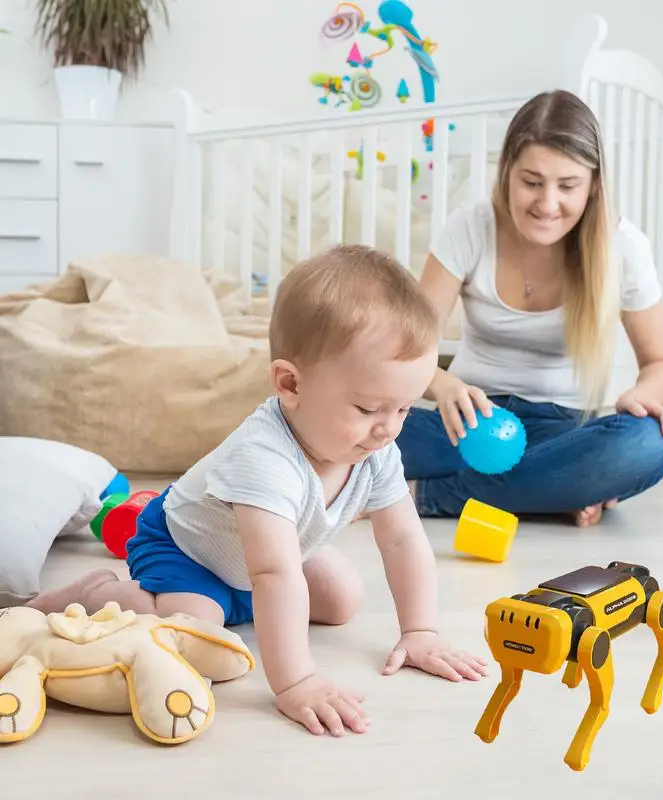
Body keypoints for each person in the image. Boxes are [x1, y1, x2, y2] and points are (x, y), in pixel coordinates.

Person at [27, 245, 488, 736]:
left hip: (271, 552)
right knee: (196, 628)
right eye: (369, 408)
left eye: (403, 409)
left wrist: (420, 631)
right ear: (290, 384)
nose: (388, 429)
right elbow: (272, 573)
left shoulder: (373, 449)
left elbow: (402, 540)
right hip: (188, 549)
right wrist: (296, 682)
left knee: (342, 599)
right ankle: (103, 590)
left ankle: (236, 604)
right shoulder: (263, 457)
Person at [396, 90, 663, 527]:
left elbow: (661, 362)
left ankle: (428, 495)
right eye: (531, 182)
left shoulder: (623, 246)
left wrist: (643, 398)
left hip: (562, 433)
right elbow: (408, 348)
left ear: (593, 186)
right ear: (507, 171)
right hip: (469, 425)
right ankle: (547, 492)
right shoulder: (470, 227)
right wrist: (443, 384)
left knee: (647, 443)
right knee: (358, 426)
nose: (547, 204)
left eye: (567, 186)